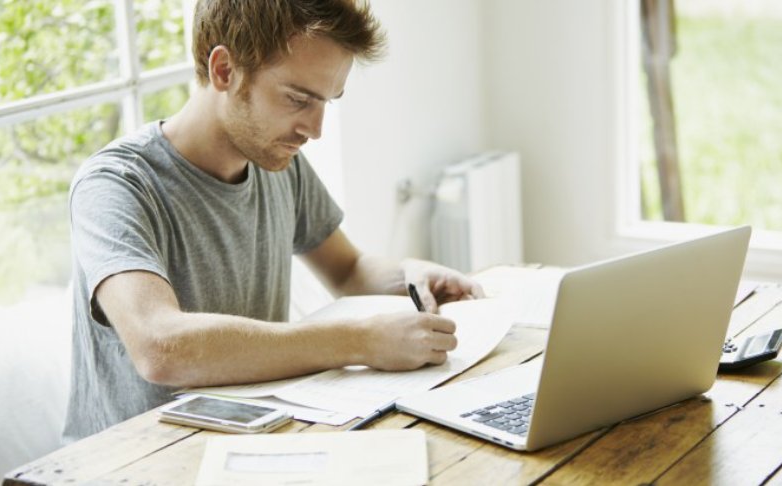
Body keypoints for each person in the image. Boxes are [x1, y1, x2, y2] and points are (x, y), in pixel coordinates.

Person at [62, 0, 484, 442]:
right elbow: (160, 347)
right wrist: (361, 341)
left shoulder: (277, 160)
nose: (315, 129)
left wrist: (410, 275)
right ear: (225, 70)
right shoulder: (115, 185)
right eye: (298, 99)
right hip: (133, 461)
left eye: (326, 102)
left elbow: (346, 269)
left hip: (251, 444)